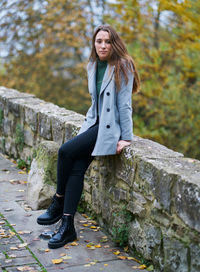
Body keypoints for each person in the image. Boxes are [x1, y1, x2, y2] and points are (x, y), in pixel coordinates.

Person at [37, 25, 140, 249]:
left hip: (108, 128)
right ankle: (67, 227)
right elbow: (95, 103)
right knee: (76, 169)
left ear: (115, 43)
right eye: (99, 41)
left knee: (65, 151)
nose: (103, 45)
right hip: (92, 123)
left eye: (107, 41)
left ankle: (58, 200)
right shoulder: (93, 65)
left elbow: (124, 105)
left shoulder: (123, 65)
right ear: (94, 44)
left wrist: (126, 137)